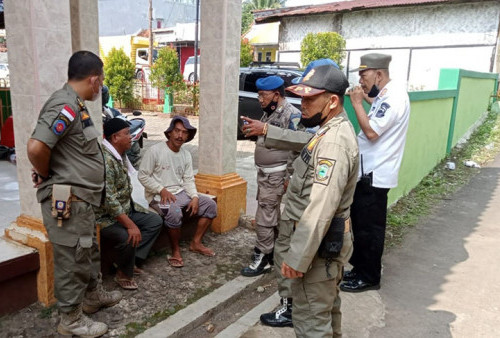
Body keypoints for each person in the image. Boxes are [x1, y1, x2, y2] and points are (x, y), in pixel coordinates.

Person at [27, 51, 122, 337]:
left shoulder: (75, 105)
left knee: (87, 251)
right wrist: (45, 175)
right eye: (101, 80)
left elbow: (63, 149)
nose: (101, 86)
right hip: (69, 200)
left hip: (82, 201)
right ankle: (71, 320)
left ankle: (93, 297)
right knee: (72, 259)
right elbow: (36, 148)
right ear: (94, 80)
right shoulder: (64, 105)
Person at [261, 63, 359, 336]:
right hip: (320, 246)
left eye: (309, 98)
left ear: (332, 101)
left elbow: (321, 207)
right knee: (325, 312)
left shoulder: (333, 143)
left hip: (318, 250)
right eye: (301, 97)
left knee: (311, 322)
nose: (302, 104)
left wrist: (297, 258)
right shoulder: (327, 131)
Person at [242, 58, 340, 327]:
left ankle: (288, 301)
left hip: (290, 193)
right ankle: (287, 294)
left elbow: (302, 148)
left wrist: (288, 177)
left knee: (270, 219)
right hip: (281, 191)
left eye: (310, 99)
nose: (303, 105)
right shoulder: (280, 116)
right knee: (273, 223)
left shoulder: (318, 128)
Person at [340, 53, 411, 292]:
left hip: (375, 175)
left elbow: (372, 133)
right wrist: (365, 100)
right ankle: (360, 269)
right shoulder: (386, 96)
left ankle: (369, 277)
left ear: (379, 74)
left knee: (370, 229)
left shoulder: (394, 98)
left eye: (364, 75)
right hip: (368, 172)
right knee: (361, 225)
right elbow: (379, 109)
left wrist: (357, 104)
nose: (361, 81)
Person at [240, 75, 301, 277]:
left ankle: (263, 255)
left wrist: (288, 178)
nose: (260, 99)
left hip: (276, 176)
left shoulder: (291, 115)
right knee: (269, 213)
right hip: (265, 175)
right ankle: (273, 250)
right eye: (258, 95)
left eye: (263, 95)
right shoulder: (270, 112)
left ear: (276, 95)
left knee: (264, 216)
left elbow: (296, 147)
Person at [138, 116, 217, 268]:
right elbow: (142, 175)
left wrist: (194, 196)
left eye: (184, 132)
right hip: (157, 196)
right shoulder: (155, 151)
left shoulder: (185, 155)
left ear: (188, 136)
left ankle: (196, 243)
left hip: (180, 193)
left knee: (209, 205)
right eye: (177, 131)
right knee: (174, 211)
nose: (180, 136)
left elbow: (188, 179)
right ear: (169, 132)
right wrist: (161, 190)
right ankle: (175, 250)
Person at [95, 118, 163, 290]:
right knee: (128, 234)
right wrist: (131, 225)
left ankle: (127, 261)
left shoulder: (118, 155)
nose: (131, 137)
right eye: (126, 133)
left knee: (154, 222)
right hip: (106, 218)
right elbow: (108, 200)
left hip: (125, 209)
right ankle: (123, 274)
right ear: (115, 137)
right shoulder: (106, 160)